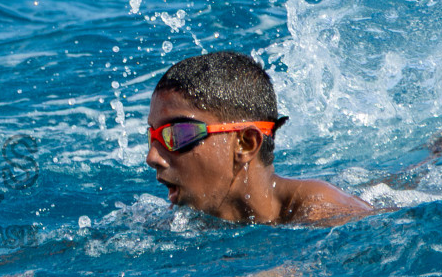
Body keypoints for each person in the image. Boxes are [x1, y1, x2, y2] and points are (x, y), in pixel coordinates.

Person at [146, 51, 372, 225]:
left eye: (177, 134)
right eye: (152, 136)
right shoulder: (188, 219)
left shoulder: (325, 212)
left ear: (246, 144)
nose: (152, 157)